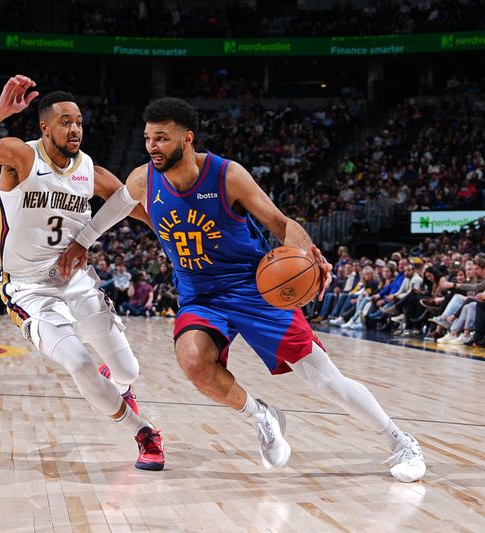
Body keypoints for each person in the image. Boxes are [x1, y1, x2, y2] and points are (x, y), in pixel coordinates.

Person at [60, 97, 426, 481]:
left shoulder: (227, 175)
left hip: (255, 290)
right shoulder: (142, 179)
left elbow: (281, 223)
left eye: (162, 138)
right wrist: (83, 240)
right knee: (193, 360)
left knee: (324, 379)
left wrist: (307, 252)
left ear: (187, 139)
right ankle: (261, 416)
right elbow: (116, 205)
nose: (152, 146)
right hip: (199, 295)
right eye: (149, 138)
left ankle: (401, 442)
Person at [0, 76, 164, 470]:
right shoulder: (21, 157)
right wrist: (1, 112)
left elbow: (133, 206)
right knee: (78, 362)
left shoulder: (90, 170)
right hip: (28, 289)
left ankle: (115, 382)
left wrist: (170, 231)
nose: (75, 129)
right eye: (66, 121)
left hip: (77, 282)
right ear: (45, 127)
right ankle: (144, 432)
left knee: (127, 370)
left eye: (79, 122)